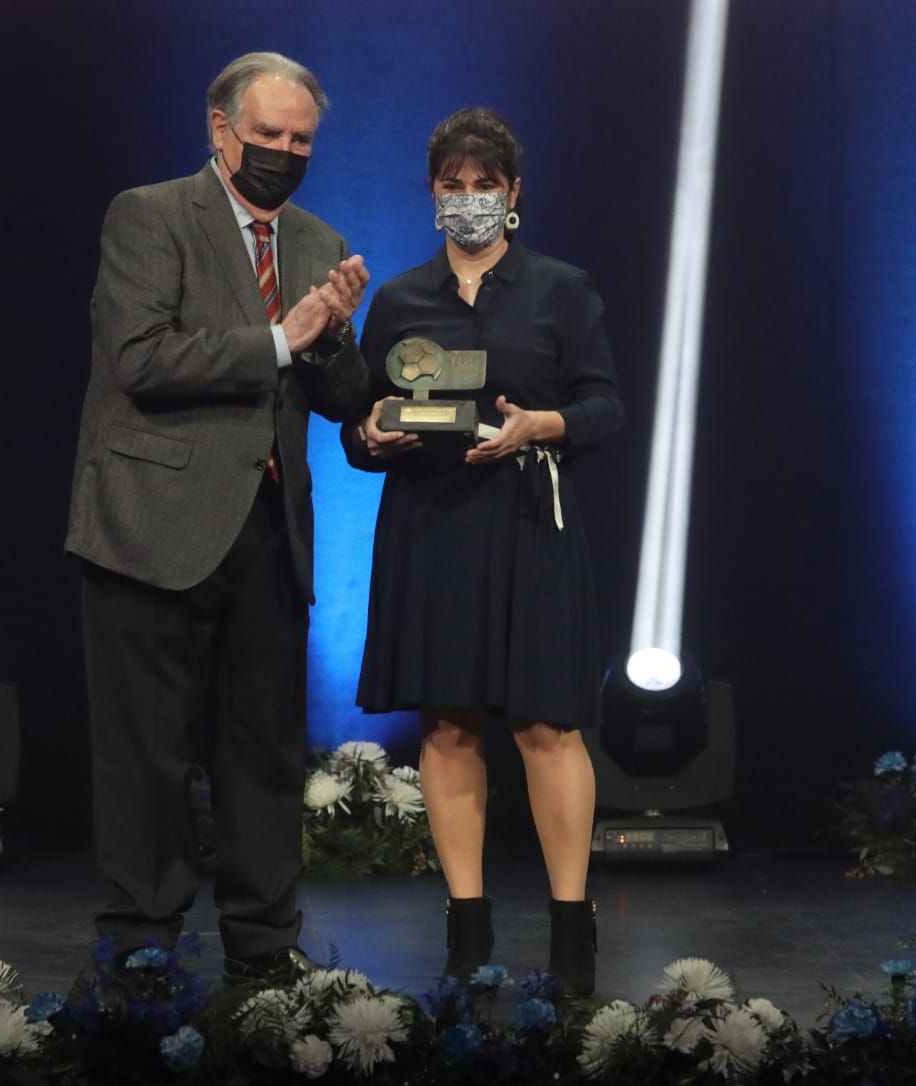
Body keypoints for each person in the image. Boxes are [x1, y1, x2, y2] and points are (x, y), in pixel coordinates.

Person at [66, 52, 371, 986]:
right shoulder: (150, 215)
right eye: (269, 134)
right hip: (151, 524)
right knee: (145, 757)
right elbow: (142, 359)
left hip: (269, 530)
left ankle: (265, 949)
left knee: (265, 753)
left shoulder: (317, 240)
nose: (284, 152)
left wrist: (342, 350)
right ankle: (143, 951)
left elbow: (337, 393)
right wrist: (287, 336)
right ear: (220, 129)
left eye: (301, 140)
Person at [341, 107, 623, 994]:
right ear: (432, 197)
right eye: (452, 188)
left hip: (532, 521)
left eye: (484, 187)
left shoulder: (561, 288)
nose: (468, 201)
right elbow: (361, 423)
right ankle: (467, 933)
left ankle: (573, 936)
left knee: (547, 723)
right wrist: (369, 435)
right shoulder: (398, 301)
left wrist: (545, 424)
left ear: (513, 195)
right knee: (449, 722)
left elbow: (605, 406)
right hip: (433, 523)